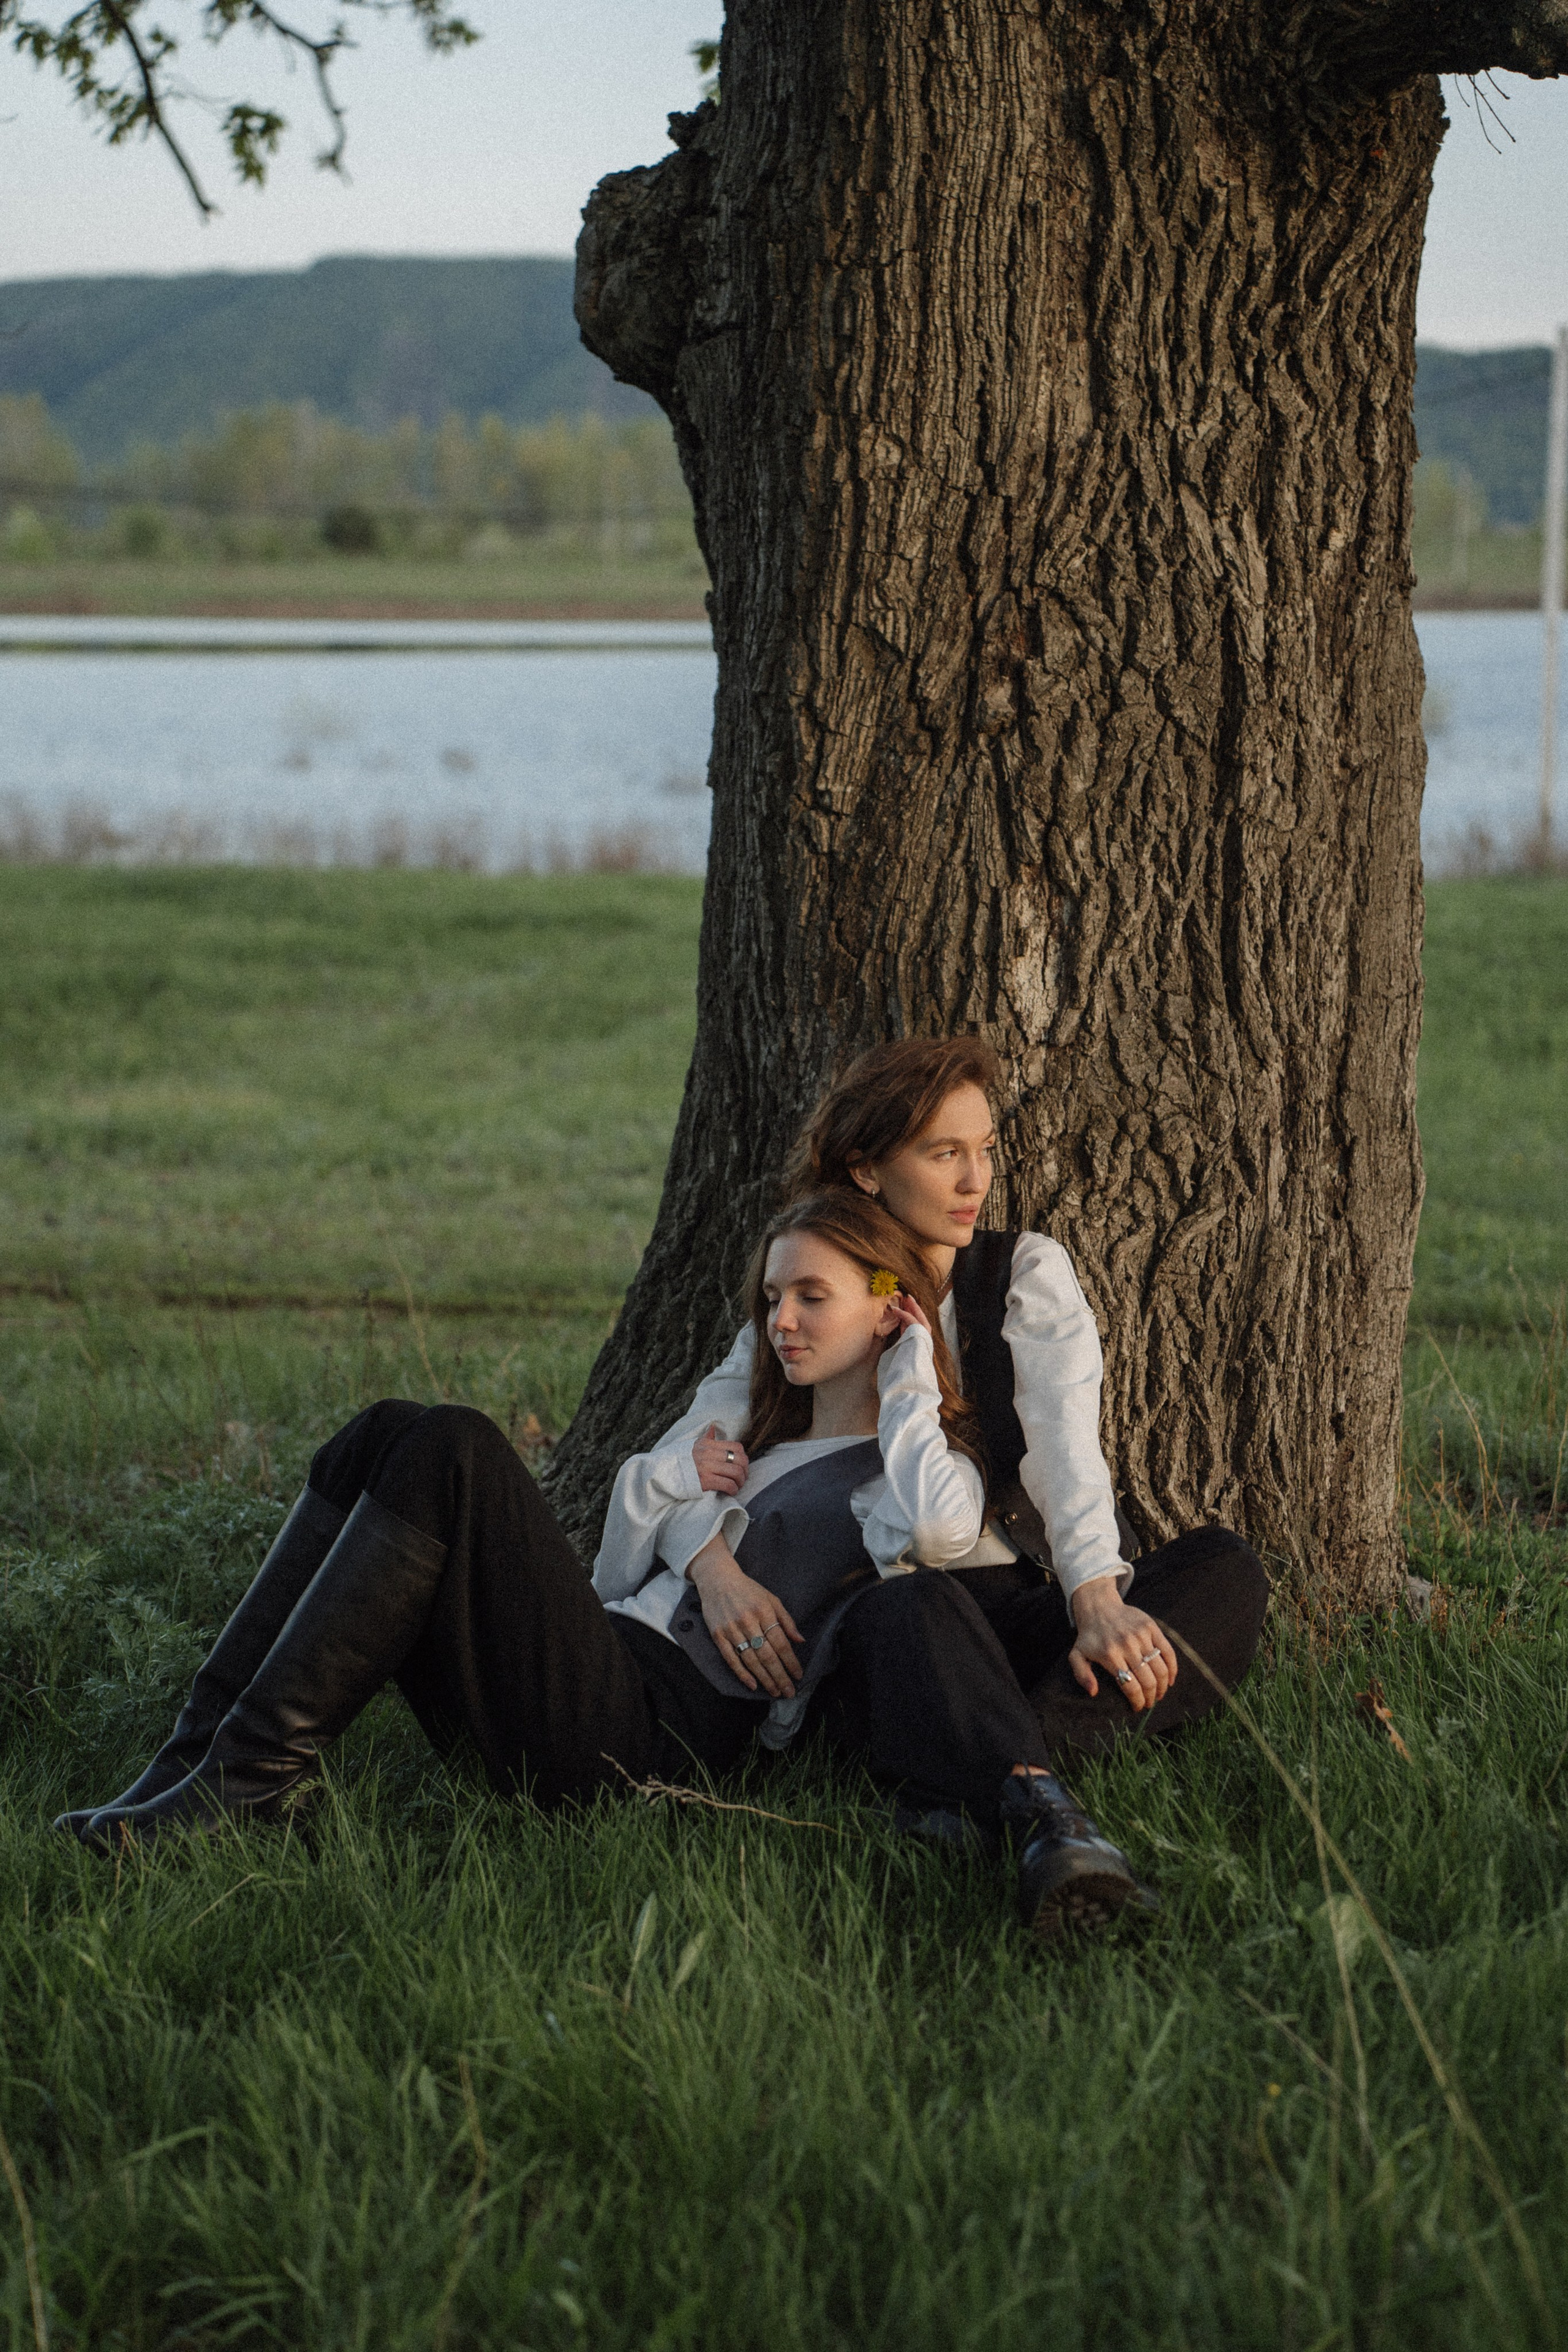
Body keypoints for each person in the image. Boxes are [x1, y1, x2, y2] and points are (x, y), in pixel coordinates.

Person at [55, 1189, 1154, 1942]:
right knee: (382, 1431)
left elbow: (936, 1526)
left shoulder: (908, 1473)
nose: (781, 1320)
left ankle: (252, 1786)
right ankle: (201, 1764)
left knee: (453, 1449)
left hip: (651, 1736)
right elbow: (618, 1563)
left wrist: (916, 1370)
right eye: (771, 1298)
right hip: (596, 1674)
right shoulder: (750, 1442)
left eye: (812, 1296)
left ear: (887, 1304)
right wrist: (700, 1527)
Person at [657, 1039, 1270, 1790]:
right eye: (942, 1153)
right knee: (906, 1613)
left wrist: (1096, 1604)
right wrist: (713, 1570)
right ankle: (1019, 1766)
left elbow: (1063, 1448)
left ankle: (1009, 1760)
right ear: (865, 1169)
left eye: (983, 1148)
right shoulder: (815, 1290)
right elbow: (686, 1454)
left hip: (1031, 1596)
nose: (974, 1179)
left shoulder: (1021, 1273)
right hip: (903, 1615)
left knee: (1224, 1571)